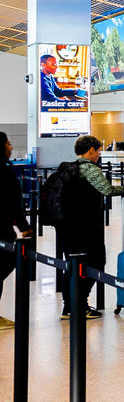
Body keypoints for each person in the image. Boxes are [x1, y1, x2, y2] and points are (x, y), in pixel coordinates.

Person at [58, 136, 124, 320]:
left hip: (67, 225)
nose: (99, 155)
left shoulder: (68, 168)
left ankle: (69, 307)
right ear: (91, 151)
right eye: (98, 151)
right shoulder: (89, 168)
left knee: (72, 265)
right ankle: (79, 304)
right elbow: (107, 190)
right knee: (95, 262)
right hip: (85, 226)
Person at [0, 132, 32, 329]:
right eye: (8, 144)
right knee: (5, 262)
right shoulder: (5, 173)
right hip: (1, 229)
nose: (11, 148)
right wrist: (25, 227)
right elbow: (13, 204)